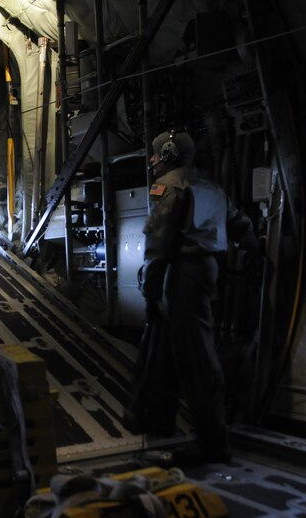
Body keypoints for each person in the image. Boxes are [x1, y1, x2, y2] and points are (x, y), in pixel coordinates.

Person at [126, 129, 257, 462]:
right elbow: (240, 224)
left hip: (181, 273)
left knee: (196, 357)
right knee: (173, 350)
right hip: (205, 269)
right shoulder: (210, 187)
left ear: (169, 154)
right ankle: (160, 419)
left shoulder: (168, 186)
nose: (152, 159)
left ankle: (213, 443)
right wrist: (256, 253)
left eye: (156, 153)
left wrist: (151, 291)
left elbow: (159, 241)